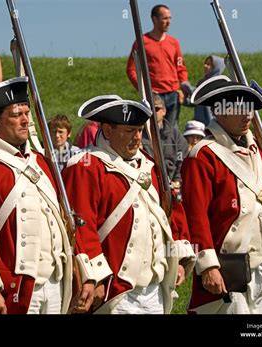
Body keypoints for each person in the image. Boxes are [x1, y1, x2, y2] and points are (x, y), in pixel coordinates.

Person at [0, 77, 94, 314]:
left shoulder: (39, 160)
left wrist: (84, 271)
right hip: (12, 285)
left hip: (54, 283)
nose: (25, 120)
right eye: (15, 114)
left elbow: (64, 218)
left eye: (26, 113)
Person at [181, 75, 262, 314]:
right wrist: (208, 265)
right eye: (239, 108)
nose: (248, 115)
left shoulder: (260, 151)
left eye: (249, 108)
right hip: (230, 266)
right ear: (219, 111)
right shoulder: (203, 155)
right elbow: (195, 216)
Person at [62, 95, 195, 314]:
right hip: (115, 290)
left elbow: (170, 210)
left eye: (140, 130)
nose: (137, 138)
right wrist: (94, 276)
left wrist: (178, 256)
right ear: (107, 130)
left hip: (155, 288)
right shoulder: (85, 165)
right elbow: (81, 225)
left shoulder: (150, 165)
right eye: (128, 131)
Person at [126, 4, 189, 128]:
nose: (168, 22)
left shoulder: (174, 42)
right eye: (164, 18)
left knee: (171, 130)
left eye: (170, 18)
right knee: (153, 129)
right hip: (154, 95)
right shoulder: (142, 41)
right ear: (154, 19)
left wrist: (183, 88)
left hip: (173, 94)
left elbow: (180, 67)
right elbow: (131, 69)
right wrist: (143, 89)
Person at [144, 94, 187, 188]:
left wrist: (177, 181)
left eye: (156, 109)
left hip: (172, 186)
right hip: (146, 185)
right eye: (149, 109)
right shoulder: (137, 134)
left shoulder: (176, 137)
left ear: (164, 111)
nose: (152, 112)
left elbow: (182, 162)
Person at [187, 55, 226, 126]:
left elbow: (200, 94)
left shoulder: (218, 83)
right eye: (205, 63)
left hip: (212, 123)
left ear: (216, 68)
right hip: (200, 123)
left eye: (209, 64)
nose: (205, 66)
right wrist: (184, 100)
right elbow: (196, 101)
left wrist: (185, 85)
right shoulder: (202, 82)